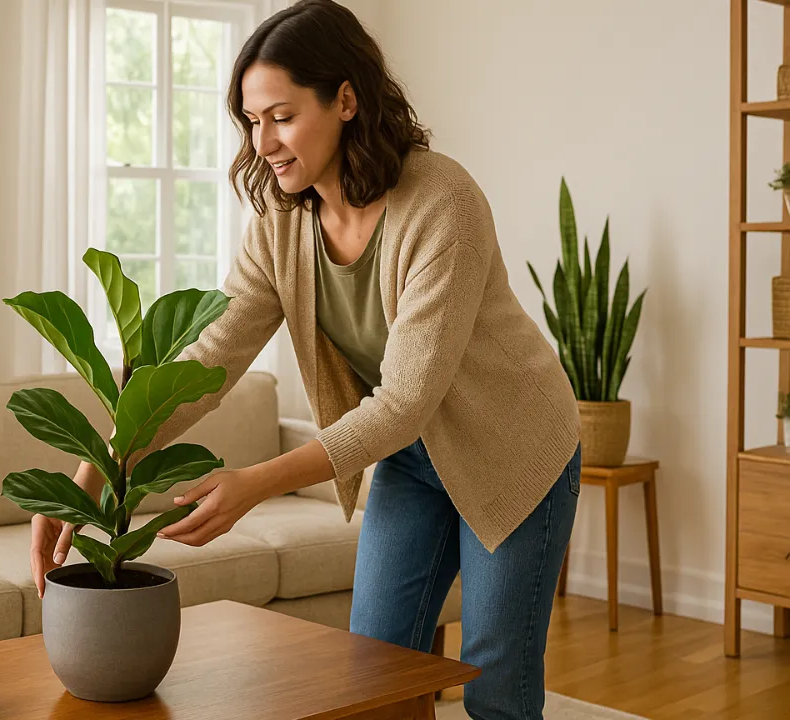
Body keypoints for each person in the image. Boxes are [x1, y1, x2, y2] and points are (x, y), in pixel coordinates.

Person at [30, 1, 581, 718]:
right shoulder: (281, 223)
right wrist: (94, 474)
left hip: (513, 448)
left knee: (497, 687)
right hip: (412, 458)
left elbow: (404, 400)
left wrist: (255, 483)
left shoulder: (442, 203)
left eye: (282, 117)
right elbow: (209, 360)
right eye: (252, 121)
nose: (263, 142)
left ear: (346, 99)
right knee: (372, 676)